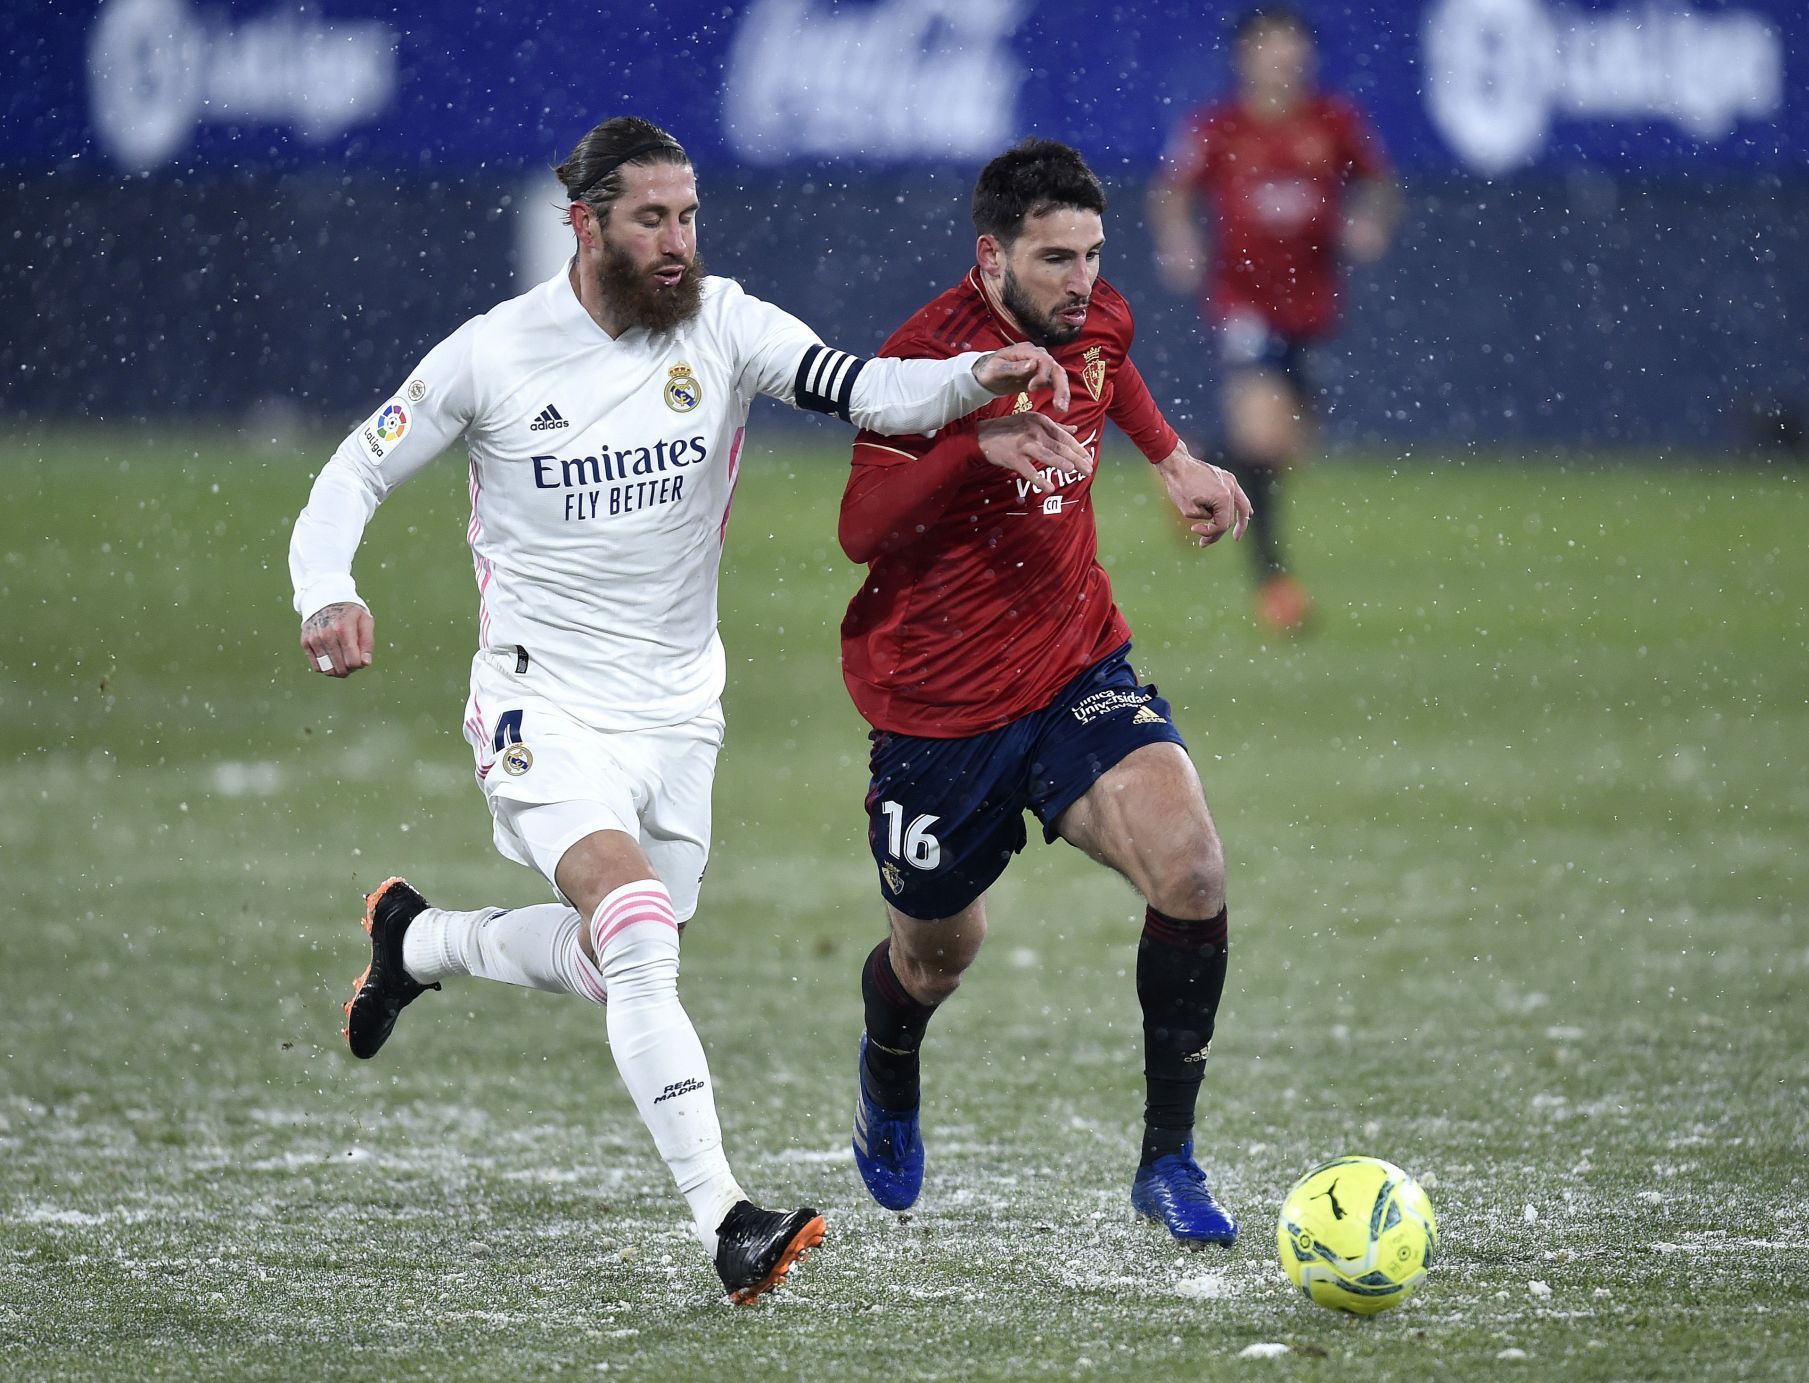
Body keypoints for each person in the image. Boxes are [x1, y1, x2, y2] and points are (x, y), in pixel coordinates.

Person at [287, 116, 1088, 1304]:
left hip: (679, 713)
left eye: (690, 217)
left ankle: (417, 940)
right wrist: (327, 589)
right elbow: (356, 465)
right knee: (639, 927)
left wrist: (979, 376)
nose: (678, 243)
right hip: (540, 703)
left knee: (625, 961)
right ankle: (730, 1219)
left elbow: (865, 386)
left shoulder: (721, 323)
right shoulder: (495, 355)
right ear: (587, 224)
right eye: (652, 220)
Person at [835, 138, 1254, 1247]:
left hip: (1076, 666)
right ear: (990, 257)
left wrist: (1174, 460)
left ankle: (1168, 1159)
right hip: (939, 709)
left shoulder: (1092, 315)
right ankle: (888, 1064)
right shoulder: (922, 365)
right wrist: (977, 446)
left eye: (1093, 254)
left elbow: (1115, 371)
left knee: (1194, 871)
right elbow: (859, 530)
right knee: (936, 959)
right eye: (1055, 257)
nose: (1082, 280)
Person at [1149, 3, 1399, 632]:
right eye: (1270, 46)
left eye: (1292, 46)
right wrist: (1180, 242)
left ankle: (1192, 461)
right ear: (1247, 56)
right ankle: (1276, 588)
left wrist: (1371, 220)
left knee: (1287, 451)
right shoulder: (1219, 128)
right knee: (1263, 441)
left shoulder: (1333, 122)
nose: (1283, 57)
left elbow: (1380, 184)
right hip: (1245, 301)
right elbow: (1171, 191)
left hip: (1313, 308)